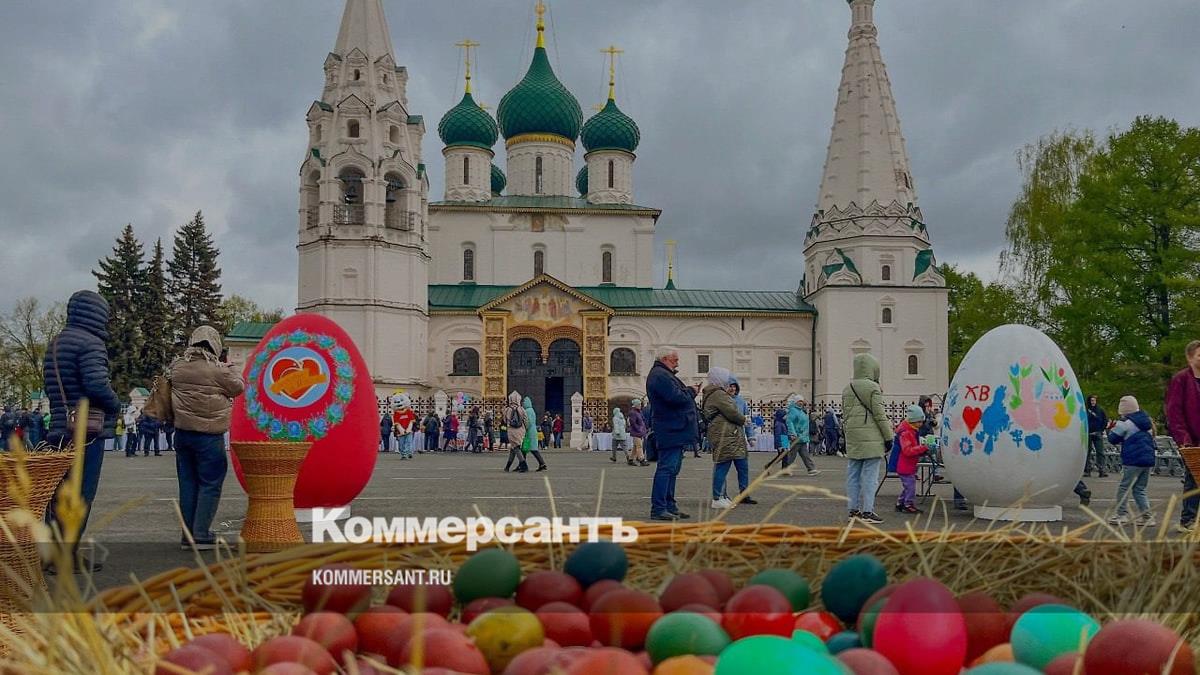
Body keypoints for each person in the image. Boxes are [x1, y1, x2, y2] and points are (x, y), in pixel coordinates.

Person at [43, 290, 123, 568]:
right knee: (81, 494)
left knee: (56, 493)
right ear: (97, 314)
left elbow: (51, 387)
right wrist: (115, 404)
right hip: (85, 430)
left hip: (58, 427)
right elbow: (96, 385)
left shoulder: (55, 343)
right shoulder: (91, 343)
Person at [168, 325, 245, 550]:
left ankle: (187, 535)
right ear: (215, 345)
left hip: (182, 434)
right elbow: (238, 388)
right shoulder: (218, 370)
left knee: (187, 484)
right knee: (210, 483)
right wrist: (232, 368)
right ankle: (201, 534)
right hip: (209, 436)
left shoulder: (177, 367)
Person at [646, 346, 697, 521]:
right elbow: (676, 398)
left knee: (672, 469)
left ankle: (669, 505)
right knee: (667, 468)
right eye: (675, 360)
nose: (677, 363)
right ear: (665, 359)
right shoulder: (660, 376)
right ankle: (659, 508)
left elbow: (675, 395)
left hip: (674, 428)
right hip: (671, 428)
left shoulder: (663, 375)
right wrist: (691, 391)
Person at [841, 353, 891, 525]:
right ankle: (868, 511)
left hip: (854, 437)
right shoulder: (873, 388)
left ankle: (853, 510)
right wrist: (888, 437)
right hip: (872, 438)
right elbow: (880, 415)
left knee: (853, 475)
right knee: (870, 477)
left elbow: (845, 416)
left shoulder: (847, 388)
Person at [703, 367, 755, 509]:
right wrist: (744, 420)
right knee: (722, 466)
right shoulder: (719, 394)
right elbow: (732, 412)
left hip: (726, 435)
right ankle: (717, 497)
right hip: (725, 435)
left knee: (725, 465)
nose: (729, 385)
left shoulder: (714, 393)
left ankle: (722, 496)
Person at [1164, 339, 1200, 534]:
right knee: (1194, 478)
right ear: (1190, 357)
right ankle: (1188, 520)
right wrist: (1184, 439)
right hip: (1192, 440)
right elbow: (1174, 412)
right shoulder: (1181, 380)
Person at [1106, 395, 1157, 526]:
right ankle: (1147, 517)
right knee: (1140, 489)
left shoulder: (1125, 424)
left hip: (1132, 460)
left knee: (1124, 487)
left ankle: (1121, 514)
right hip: (1148, 460)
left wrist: (1110, 428)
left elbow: (1113, 439)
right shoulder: (1147, 423)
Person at [894, 406, 932, 514]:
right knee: (910, 486)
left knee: (908, 486)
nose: (921, 424)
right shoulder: (907, 432)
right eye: (919, 422)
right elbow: (907, 450)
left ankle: (901, 503)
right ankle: (908, 504)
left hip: (907, 465)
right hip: (905, 465)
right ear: (913, 421)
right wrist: (922, 448)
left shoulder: (911, 431)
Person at [783, 394, 820, 476]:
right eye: (799, 401)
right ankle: (786, 469)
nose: (801, 403)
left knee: (805, 455)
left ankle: (811, 469)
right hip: (797, 437)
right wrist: (792, 433)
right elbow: (790, 422)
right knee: (792, 455)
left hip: (802, 437)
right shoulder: (793, 411)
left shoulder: (801, 411)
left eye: (802, 401)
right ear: (795, 402)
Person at [1085, 395, 1109, 478]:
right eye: (1091, 400)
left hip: (1097, 432)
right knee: (1087, 452)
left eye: (1094, 400)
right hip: (1088, 433)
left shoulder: (1100, 410)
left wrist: (1101, 430)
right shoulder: (1086, 410)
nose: (1093, 402)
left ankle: (1101, 469)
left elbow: (1105, 420)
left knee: (1100, 452)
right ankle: (1087, 470)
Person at [504, 392, 528, 472]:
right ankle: (507, 467)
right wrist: (525, 429)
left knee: (516, 448)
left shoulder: (507, 409)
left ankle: (524, 465)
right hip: (521, 430)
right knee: (514, 448)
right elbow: (526, 420)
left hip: (511, 430)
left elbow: (505, 420)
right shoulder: (521, 409)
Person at [524, 396, 548, 471]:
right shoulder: (532, 410)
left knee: (526, 449)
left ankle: (523, 465)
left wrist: (524, 428)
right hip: (533, 430)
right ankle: (542, 463)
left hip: (529, 432)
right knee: (530, 449)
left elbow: (528, 422)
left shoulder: (527, 411)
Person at [628, 399, 649, 466]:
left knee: (635, 446)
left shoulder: (639, 412)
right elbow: (633, 423)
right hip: (636, 432)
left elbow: (642, 420)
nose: (640, 405)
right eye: (639, 404)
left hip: (640, 432)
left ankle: (630, 459)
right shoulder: (633, 413)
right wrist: (639, 429)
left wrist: (644, 428)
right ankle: (642, 460)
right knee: (639, 446)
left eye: (640, 404)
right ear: (635, 405)